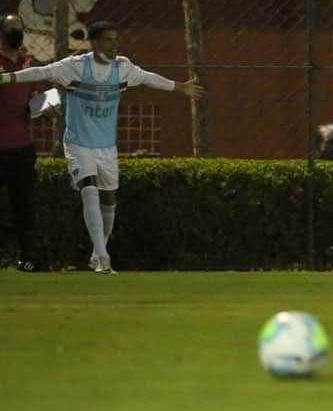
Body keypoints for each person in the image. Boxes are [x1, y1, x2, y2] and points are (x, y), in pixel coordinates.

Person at [0, 21, 204, 274]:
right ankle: (102, 255)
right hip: (78, 143)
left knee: (108, 198)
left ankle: (98, 253)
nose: (114, 44)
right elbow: (40, 73)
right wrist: (7, 77)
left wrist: (179, 87)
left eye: (115, 39)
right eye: (108, 39)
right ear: (94, 43)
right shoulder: (74, 67)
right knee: (89, 187)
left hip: (106, 146)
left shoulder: (123, 68)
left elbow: (149, 78)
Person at [0, 14, 41, 271]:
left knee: (25, 209)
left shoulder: (29, 64)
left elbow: (35, 97)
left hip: (22, 147)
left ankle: (29, 260)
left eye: (20, 29)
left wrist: (43, 107)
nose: (17, 33)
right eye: (11, 29)